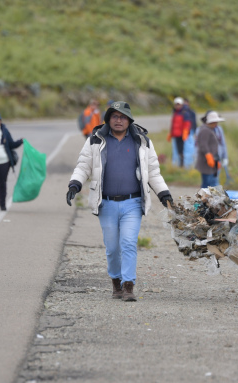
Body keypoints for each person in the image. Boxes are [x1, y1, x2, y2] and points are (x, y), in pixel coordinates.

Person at [66, 101, 173, 302]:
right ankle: (116, 281)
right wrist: (75, 184)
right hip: (105, 203)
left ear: (129, 120)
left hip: (132, 203)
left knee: (128, 243)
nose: (118, 120)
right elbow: (83, 166)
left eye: (123, 117)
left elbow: (153, 172)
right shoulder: (95, 140)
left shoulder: (142, 142)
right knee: (113, 247)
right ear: (108, 119)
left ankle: (128, 286)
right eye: (114, 116)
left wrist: (163, 193)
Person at [196, 111, 231, 185]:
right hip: (206, 162)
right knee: (208, 184)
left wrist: (218, 158)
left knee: (212, 183)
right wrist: (208, 156)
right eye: (215, 122)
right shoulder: (204, 130)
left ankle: (208, 196)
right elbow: (203, 145)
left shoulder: (212, 129)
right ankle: (206, 196)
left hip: (213, 160)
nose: (216, 124)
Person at [167, 97, 191, 167]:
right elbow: (173, 124)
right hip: (176, 134)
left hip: (182, 135)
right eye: (176, 104)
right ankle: (180, 164)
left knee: (183, 150)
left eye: (179, 104)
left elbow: (187, 124)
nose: (177, 106)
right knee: (178, 150)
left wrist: (185, 132)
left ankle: (183, 164)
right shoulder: (175, 113)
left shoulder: (184, 113)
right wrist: (170, 133)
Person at [182, 98, 198, 168]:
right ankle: (185, 164)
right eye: (184, 103)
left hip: (190, 131)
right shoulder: (180, 112)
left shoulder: (192, 112)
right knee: (183, 149)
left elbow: (194, 123)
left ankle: (190, 164)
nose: (185, 104)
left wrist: (195, 132)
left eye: (186, 103)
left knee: (190, 148)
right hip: (182, 132)